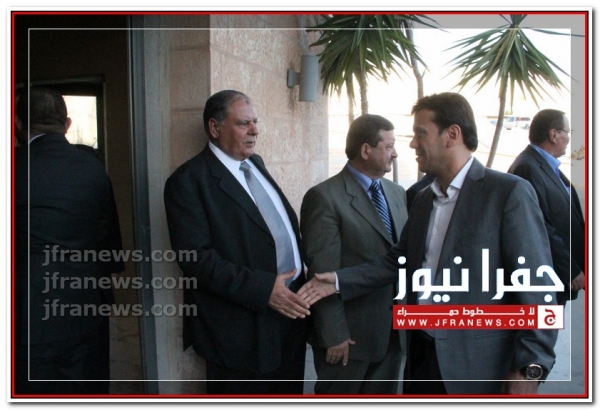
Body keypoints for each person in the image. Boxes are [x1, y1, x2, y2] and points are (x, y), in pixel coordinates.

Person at [298, 92, 559, 395]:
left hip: (476, 368)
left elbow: (538, 287)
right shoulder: (423, 199)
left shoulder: (507, 193)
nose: (412, 144)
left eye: (420, 133)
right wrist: (338, 281)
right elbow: (399, 260)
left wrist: (530, 370)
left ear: (452, 135)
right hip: (421, 357)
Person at [163, 90, 310, 395]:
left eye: (255, 121)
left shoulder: (256, 163)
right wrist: (263, 289)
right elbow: (195, 259)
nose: (255, 130)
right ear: (214, 128)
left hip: (289, 319)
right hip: (240, 333)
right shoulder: (188, 181)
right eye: (244, 123)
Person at [14, 87, 124, 394]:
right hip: (87, 311)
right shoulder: (93, 167)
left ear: (18, 124)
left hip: (29, 317)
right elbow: (111, 247)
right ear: (66, 124)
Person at [300, 114, 408, 394]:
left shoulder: (397, 193)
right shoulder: (324, 197)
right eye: (389, 146)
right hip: (349, 340)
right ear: (366, 150)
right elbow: (321, 274)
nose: (395, 153)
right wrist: (333, 334)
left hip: (394, 335)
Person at [508, 109, 585, 304]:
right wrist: (569, 268)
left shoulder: (546, 166)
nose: (568, 138)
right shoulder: (527, 168)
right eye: (567, 132)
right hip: (548, 276)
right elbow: (540, 226)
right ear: (553, 134)